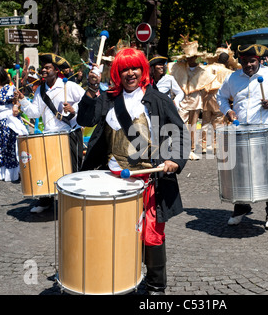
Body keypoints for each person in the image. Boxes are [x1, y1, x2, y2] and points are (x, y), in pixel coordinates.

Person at [76, 48, 189, 295]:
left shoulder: (158, 99)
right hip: (112, 179)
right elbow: (84, 120)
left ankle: (156, 287)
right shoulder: (106, 98)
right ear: (117, 72)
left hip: (149, 179)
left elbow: (179, 133)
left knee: (152, 233)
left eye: (134, 68)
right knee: (114, 233)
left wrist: (175, 161)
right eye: (124, 68)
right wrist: (91, 89)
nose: (130, 73)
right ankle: (117, 276)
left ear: (142, 70)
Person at [217, 44, 268, 229]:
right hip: (241, 131)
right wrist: (228, 110)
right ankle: (241, 207)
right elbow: (220, 97)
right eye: (244, 61)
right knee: (240, 170)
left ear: (259, 60)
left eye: (252, 61)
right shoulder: (233, 78)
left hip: (266, 130)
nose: (248, 65)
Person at [15, 53, 85, 213]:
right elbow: (35, 112)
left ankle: (73, 200)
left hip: (69, 133)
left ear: (56, 70)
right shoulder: (40, 90)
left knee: (71, 169)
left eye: (47, 68)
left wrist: (74, 109)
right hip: (50, 134)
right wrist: (23, 100)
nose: (43, 70)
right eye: (43, 67)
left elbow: (86, 101)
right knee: (47, 168)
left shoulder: (69, 86)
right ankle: (45, 201)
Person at [171, 35, 216, 160]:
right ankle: (180, 147)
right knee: (181, 124)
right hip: (183, 101)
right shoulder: (179, 68)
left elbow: (204, 85)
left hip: (196, 101)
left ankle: (190, 149)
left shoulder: (202, 70)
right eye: (189, 57)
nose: (192, 59)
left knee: (193, 125)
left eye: (194, 57)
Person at [200, 51, 233, 154]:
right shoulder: (228, 72)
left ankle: (204, 145)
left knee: (205, 121)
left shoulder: (207, 68)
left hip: (205, 96)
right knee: (218, 121)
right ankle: (216, 145)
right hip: (218, 96)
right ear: (227, 61)